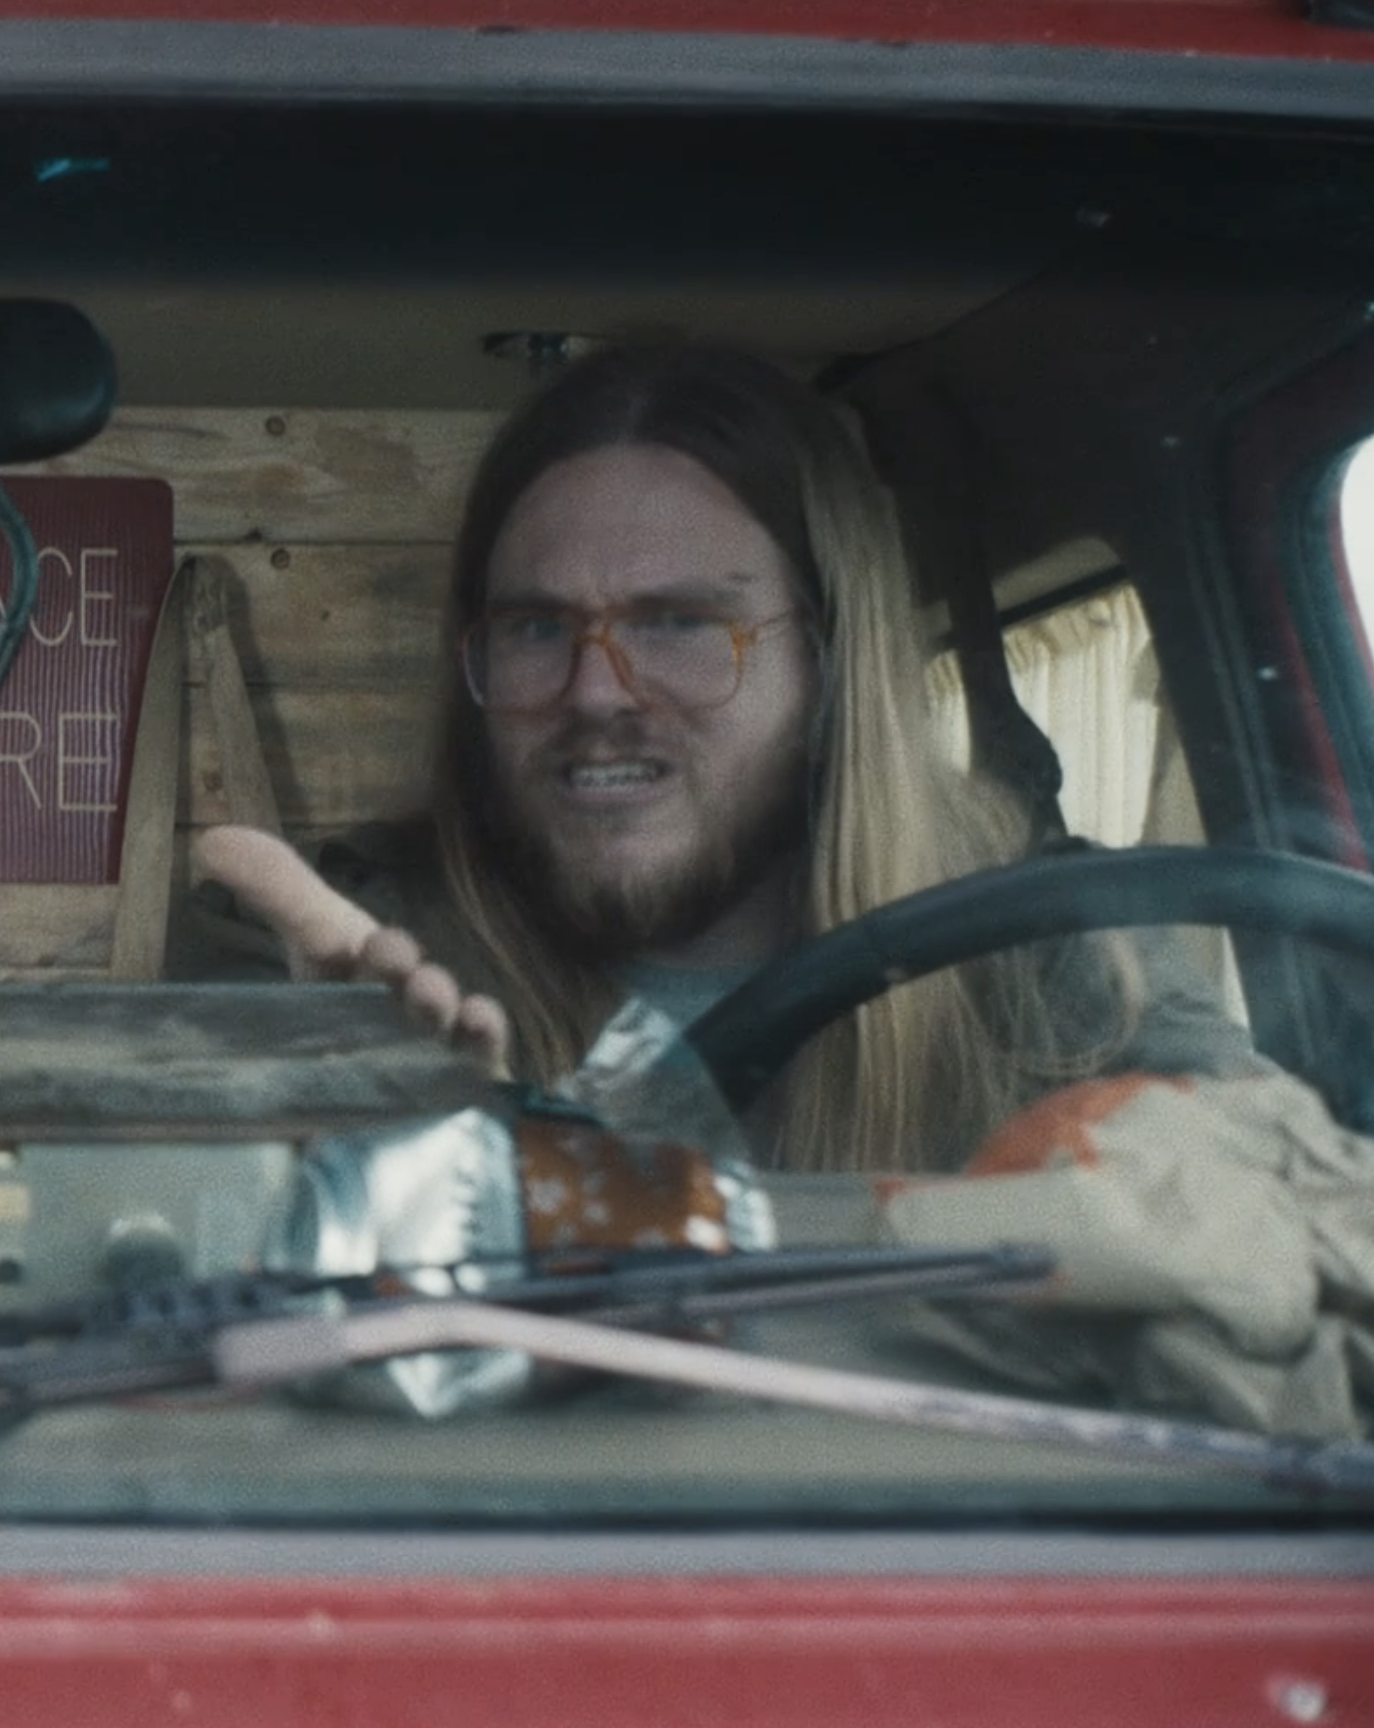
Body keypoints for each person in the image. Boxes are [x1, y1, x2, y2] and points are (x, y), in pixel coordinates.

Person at [182, 341, 1254, 1174]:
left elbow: (1295, 1243)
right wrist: (301, 1128)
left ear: (832, 659)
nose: (594, 690)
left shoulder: (1059, 970)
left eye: (680, 623)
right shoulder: (322, 957)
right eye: (534, 628)